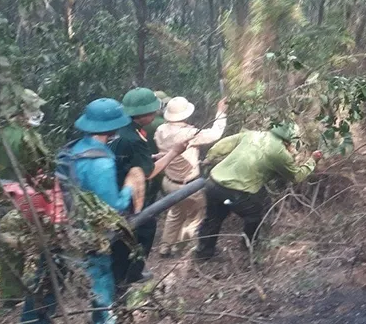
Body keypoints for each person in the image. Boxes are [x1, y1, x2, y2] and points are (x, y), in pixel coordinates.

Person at [9, 98, 135, 324]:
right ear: (112, 128)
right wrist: (131, 184)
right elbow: (111, 205)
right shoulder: (101, 161)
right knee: (100, 278)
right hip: (85, 235)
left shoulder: (70, 150)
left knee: (45, 287)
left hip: (56, 228)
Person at [194, 124, 322, 260]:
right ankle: (249, 249)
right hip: (235, 191)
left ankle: (204, 254)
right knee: (255, 215)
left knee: (214, 217)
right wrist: (312, 161)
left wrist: (210, 157)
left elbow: (223, 144)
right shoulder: (279, 153)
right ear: (290, 139)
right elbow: (296, 176)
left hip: (213, 182)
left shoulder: (252, 134)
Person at [109, 88, 186, 285]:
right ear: (142, 115)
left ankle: (125, 273)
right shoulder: (134, 138)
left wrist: (150, 157)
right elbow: (148, 173)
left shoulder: (122, 129)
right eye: (151, 112)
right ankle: (128, 275)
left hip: (115, 185)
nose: (155, 115)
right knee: (143, 228)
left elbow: (126, 158)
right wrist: (173, 153)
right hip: (125, 192)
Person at [0, 89, 51, 306]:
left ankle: (10, 295)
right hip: (26, 196)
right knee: (46, 238)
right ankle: (46, 284)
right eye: (33, 108)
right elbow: (40, 168)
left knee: (10, 247)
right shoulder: (27, 137)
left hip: (2, 197)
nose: (37, 111)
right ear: (22, 110)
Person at [155, 96, 227, 257]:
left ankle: (164, 247)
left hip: (169, 182)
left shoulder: (160, 130)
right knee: (195, 218)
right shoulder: (188, 133)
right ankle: (178, 249)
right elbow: (215, 134)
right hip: (188, 185)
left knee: (175, 213)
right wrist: (221, 112)